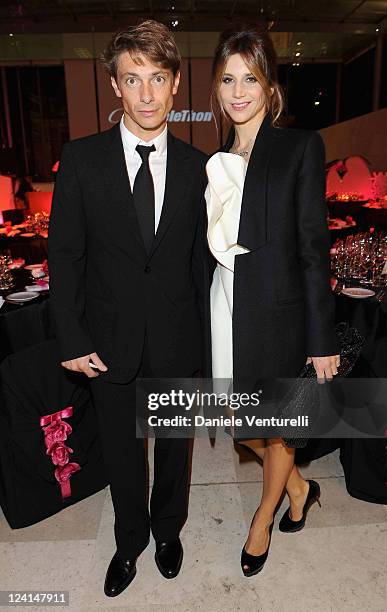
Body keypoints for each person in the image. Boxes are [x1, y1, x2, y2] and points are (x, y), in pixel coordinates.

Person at [48, 20, 207, 597]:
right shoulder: (82, 160)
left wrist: (207, 349)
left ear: (175, 85)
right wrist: (71, 338)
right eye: (132, 79)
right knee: (120, 454)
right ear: (115, 86)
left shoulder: (198, 168)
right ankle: (129, 541)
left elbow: (201, 265)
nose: (146, 94)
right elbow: (64, 257)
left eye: (157, 79)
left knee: (174, 453)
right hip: (107, 339)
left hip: (176, 337)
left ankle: (168, 532)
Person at [206, 24, 340, 577]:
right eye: (228, 79)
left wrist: (320, 339)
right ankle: (301, 487)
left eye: (251, 79)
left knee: (278, 427)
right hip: (226, 308)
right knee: (244, 428)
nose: (238, 91)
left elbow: (313, 248)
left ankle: (263, 519)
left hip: (280, 315)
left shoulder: (298, 147)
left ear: (270, 87)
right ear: (215, 87)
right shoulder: (215, 160)